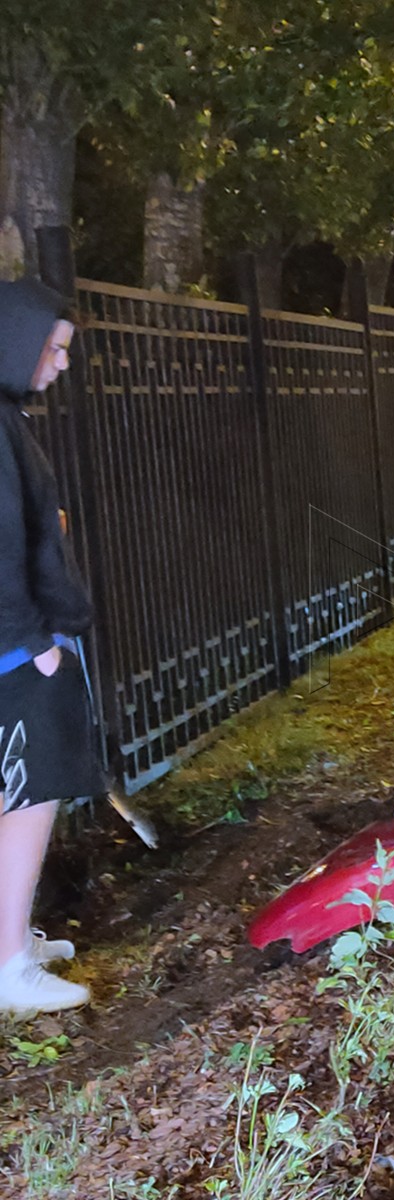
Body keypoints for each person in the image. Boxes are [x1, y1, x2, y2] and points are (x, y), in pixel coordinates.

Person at [0, 278, 102, 1014]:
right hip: (13, 648)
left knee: (21, 795)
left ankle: (12, 942)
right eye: (55, 347)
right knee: (29, 797)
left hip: (18, 641)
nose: (61, 362)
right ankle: (8, 968)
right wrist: (31, 639)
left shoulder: (6, 416)